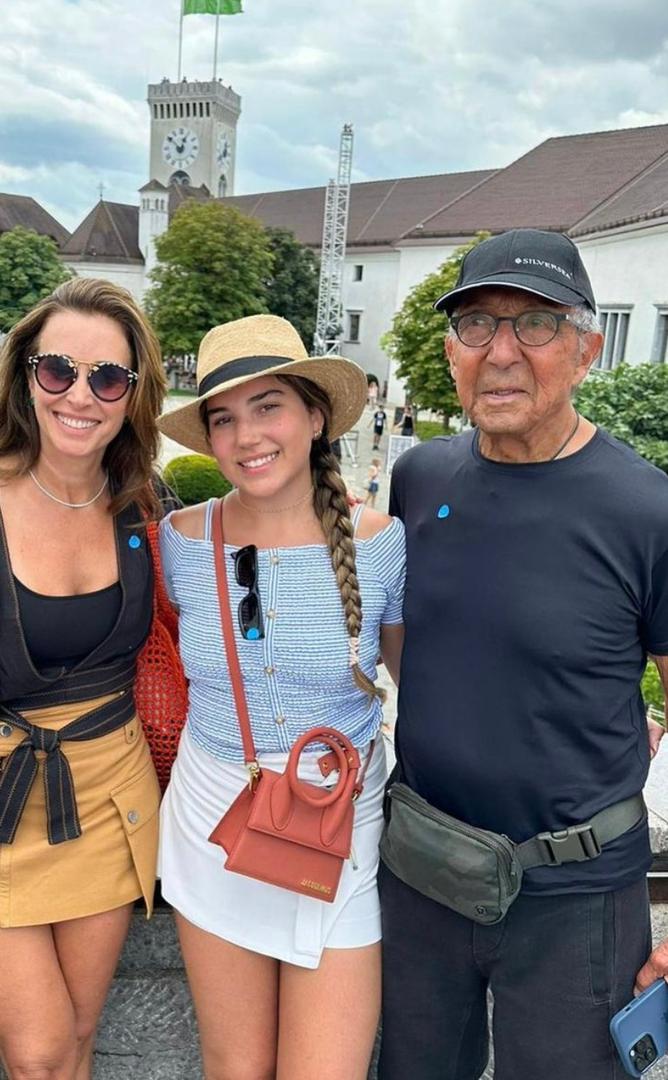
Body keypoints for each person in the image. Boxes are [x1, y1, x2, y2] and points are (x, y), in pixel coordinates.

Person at [378, 228, 668, 1080]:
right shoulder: (420, 478)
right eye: (476, 325)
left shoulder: (646, 510)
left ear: (585, 350)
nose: (501, 351)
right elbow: (413, 651)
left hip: (576, 900)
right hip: (422, 876)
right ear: (450, 352)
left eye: (534, 325)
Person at [156, 314, 405, 1080]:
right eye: (223, 418)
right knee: (234, 1068)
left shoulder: (379, 541)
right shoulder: (178, 539)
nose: (245, 435)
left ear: (315, 415)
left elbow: (428, 688)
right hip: (216, 820)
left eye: (268, 406)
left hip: (339, 823)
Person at [0, 278, 170, 1079]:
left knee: (74, 1039)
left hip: (110, 795)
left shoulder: (142, 505)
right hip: (4, 801)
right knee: (35, 1051)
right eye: (57, 370)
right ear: (24, 373)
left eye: (108, 378)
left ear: (133, 395)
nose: (80, 395)